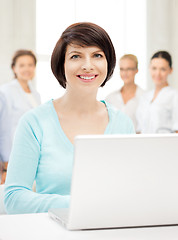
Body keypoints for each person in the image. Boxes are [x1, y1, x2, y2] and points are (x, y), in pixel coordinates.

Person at [4, 22, 135, 214]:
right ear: (61, 64)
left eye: (97, 55)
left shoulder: (123, 124)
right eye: (76, 56)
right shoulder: (34, 123)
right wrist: (79, 205)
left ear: (109, 62)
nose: (88, 66)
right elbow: (13, 198)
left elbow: (131, 192)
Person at [0, 49, 41, 184]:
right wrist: (6, 164)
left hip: (30, 154)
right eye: (22, 65)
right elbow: (4, 129)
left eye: (30, 65)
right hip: (11, 157)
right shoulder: (5, 92)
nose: (27, 69)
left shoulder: (36, 94)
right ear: (14, 68)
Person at [136, 51, 178, 133]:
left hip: (166, 145)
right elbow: (139, 129)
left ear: (170, 70)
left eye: (163, 69)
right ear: (149, 68)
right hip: (144, 144)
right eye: (154, 68)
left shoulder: (174, 96)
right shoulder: (145, 97)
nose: (157, 73)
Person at [105, 54, 144, 130]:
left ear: (136, 70)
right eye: (122, 69)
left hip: (137, 140)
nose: (125, 73)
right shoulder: (110, 98)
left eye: (129, 69)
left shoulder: (144, 97)